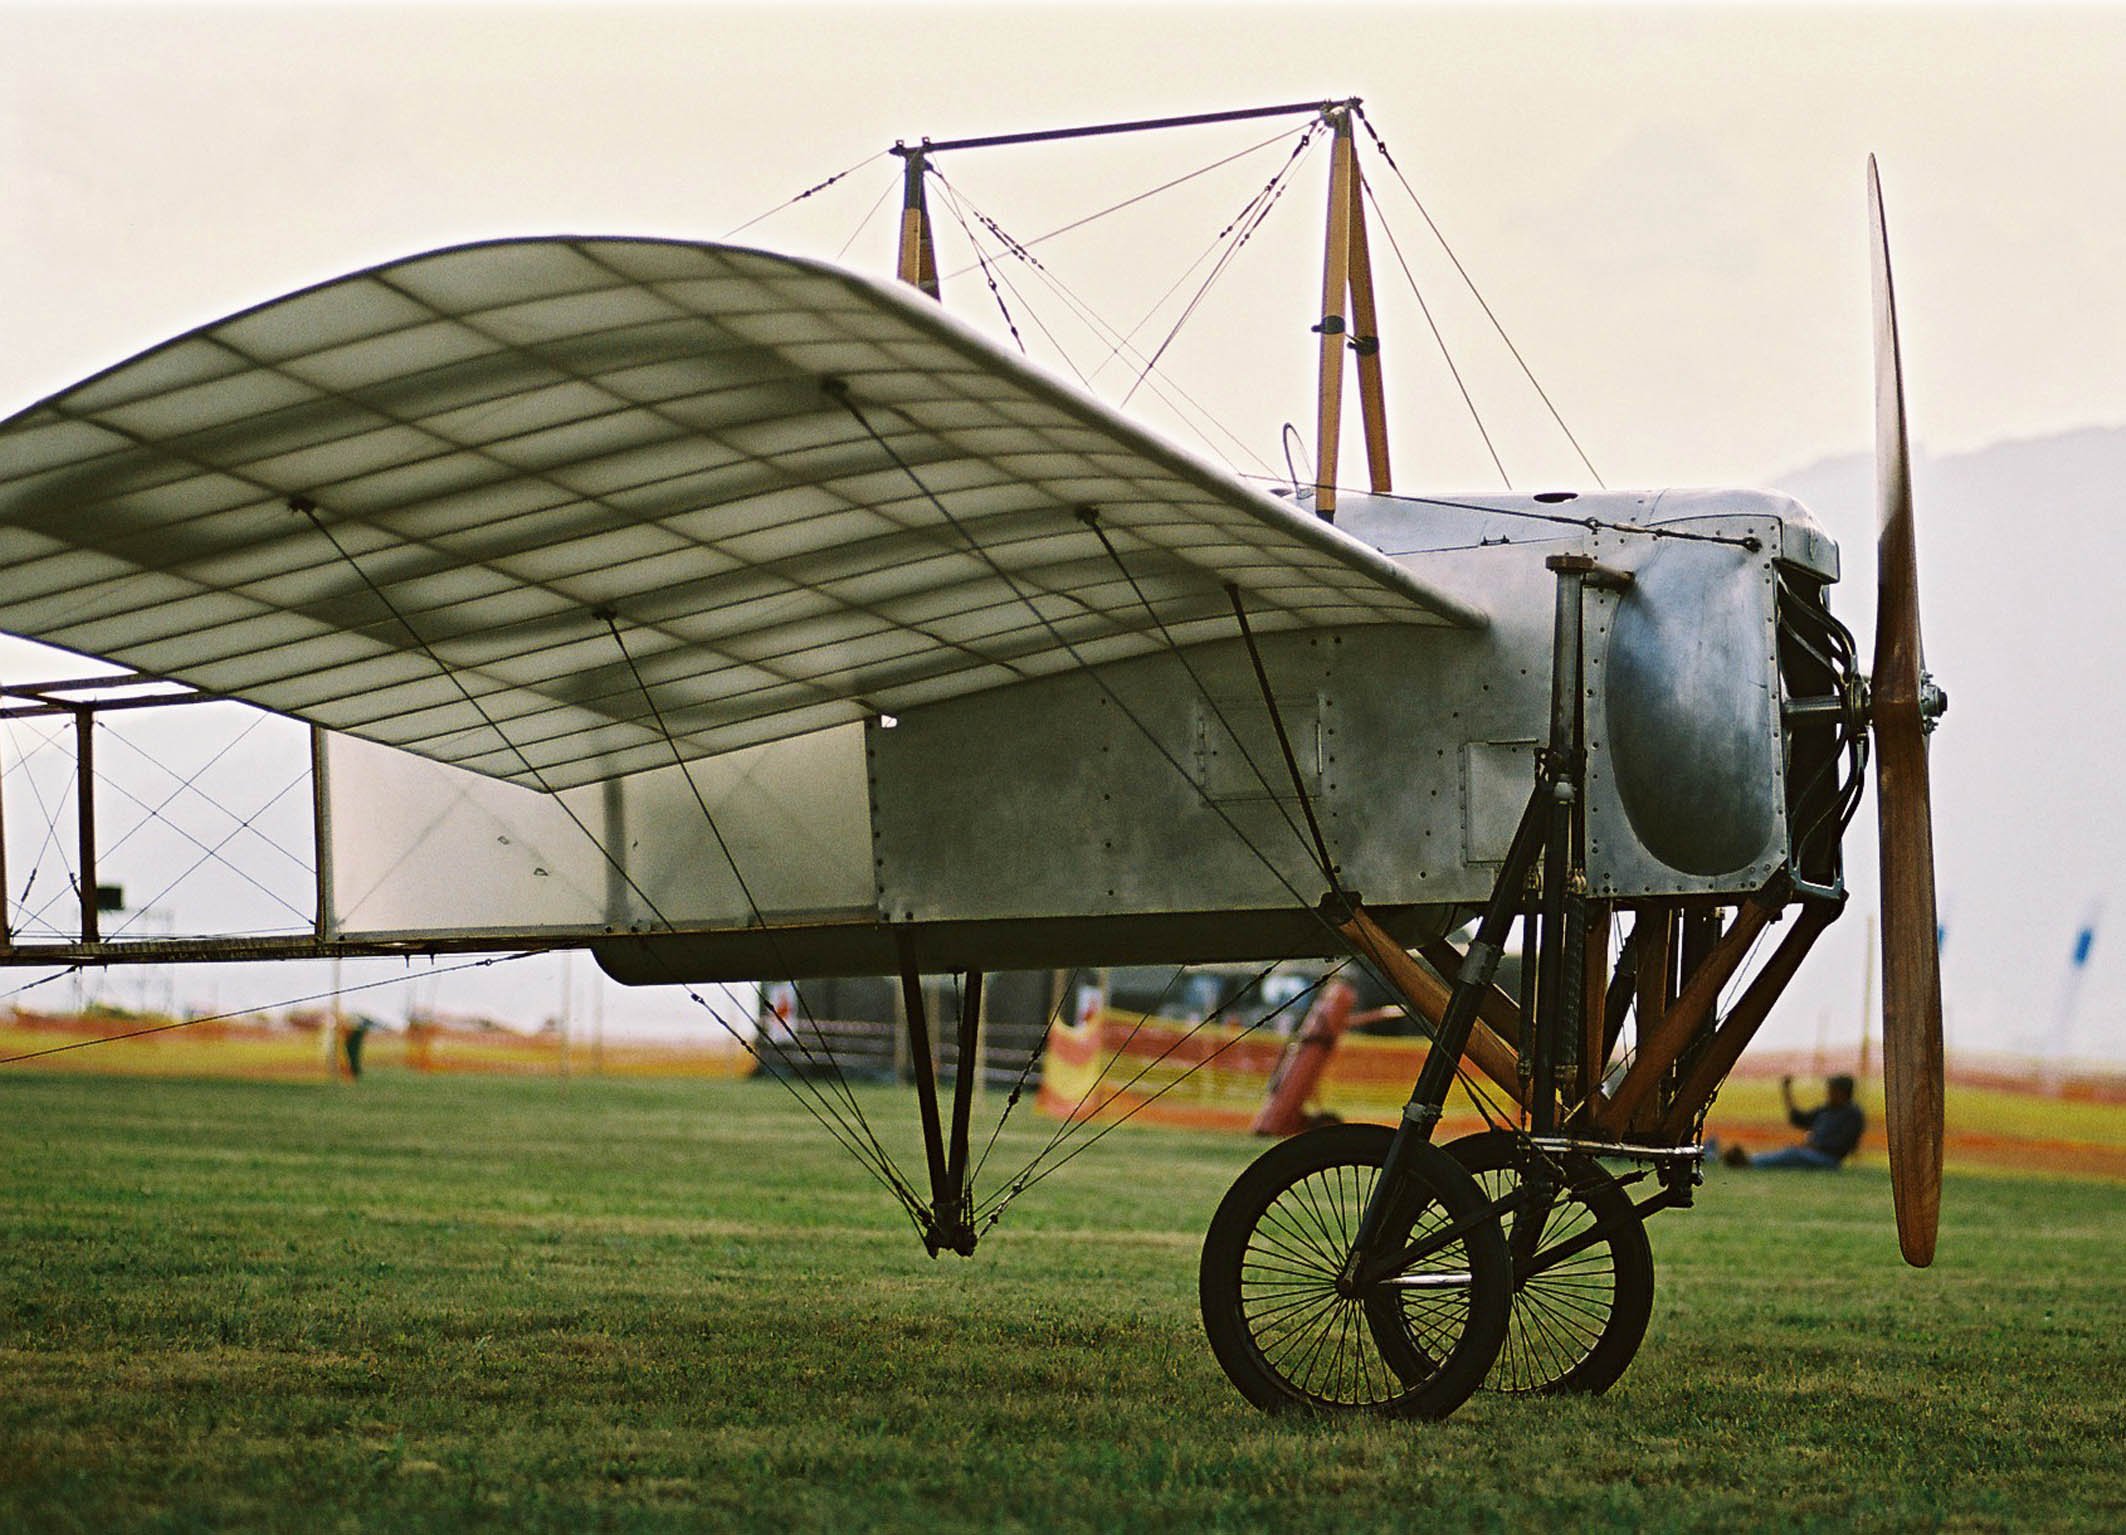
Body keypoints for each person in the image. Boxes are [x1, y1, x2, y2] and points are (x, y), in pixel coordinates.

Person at [1722, 1074, 1865, 1169]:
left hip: (1830, 1160)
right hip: (1813, 1153)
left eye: (1832, 1091)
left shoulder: (1853, 1115)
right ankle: (1751, 1160)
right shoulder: (1827, 1109)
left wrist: (1815, 1145)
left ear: (1842, 1092)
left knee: (1793, 1154)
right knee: (1791, 1153)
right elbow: (1798, 1119)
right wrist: (1787, 1092)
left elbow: (1843, 1144)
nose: (1828, 1093)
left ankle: (1750, 1163)